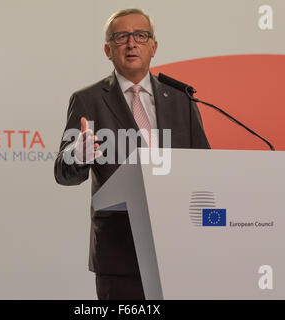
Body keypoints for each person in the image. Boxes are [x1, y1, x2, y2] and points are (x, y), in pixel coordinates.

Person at [54, 8, 210, 300]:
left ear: (154, 47)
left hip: (179, 250)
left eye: (140, 35)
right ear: (107, 49)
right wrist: (77, 154)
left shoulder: (181, 99)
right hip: (119, 252)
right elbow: (63, 173)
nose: (131, 43)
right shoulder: (87, 100)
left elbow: (204, 166)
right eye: (121, 37)